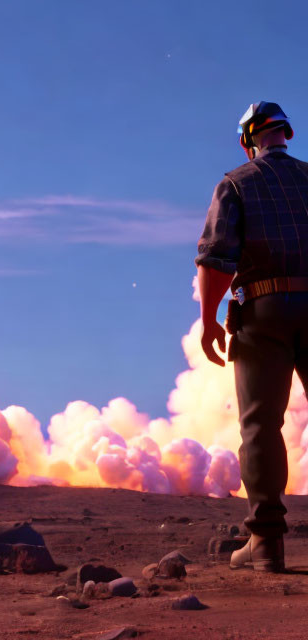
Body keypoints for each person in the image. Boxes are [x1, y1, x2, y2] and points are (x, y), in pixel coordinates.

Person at [196, 101, 308, 573]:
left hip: (264, 310)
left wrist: (207, 322)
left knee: (261, 426)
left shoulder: (236, 183)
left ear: (249, 141)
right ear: (286, 133)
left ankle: (266, 545)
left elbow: (218, 258)